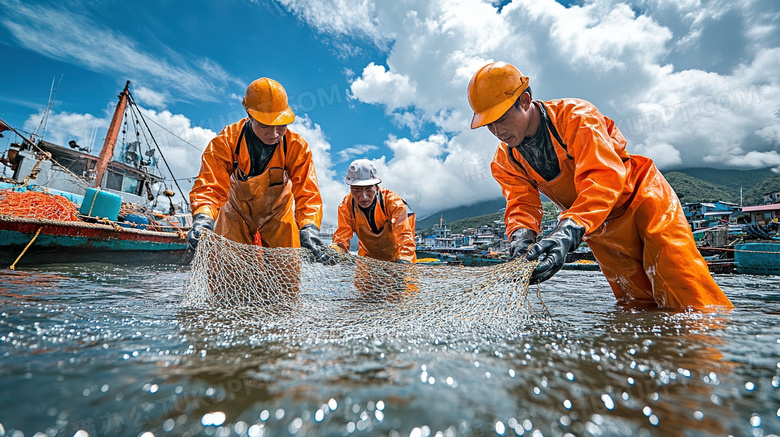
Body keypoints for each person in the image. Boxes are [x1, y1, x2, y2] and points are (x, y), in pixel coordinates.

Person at [467, 61, 733, 310]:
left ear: (524, 100)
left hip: (644, 204)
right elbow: (521, 205)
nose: (496, 131)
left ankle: (712, 357)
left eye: (500, 119)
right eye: (489, 124)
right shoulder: (505, 160)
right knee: (637, 306)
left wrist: (567, 231)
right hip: (600, 229)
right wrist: (521, 241)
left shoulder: (576, 117)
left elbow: (602, 178)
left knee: (687, 294)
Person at [187, 77, 328, 262]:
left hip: (279, 216)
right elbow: (209, 186)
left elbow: (307, 194)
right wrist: (203, 219)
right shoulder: (227, 141)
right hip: (235, 214)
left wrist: (309, 228)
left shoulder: (296, 146)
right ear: (249, 113)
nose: (275, 134)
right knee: (228, 271)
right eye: (265, 126)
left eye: (282, 125)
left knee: (286, 274)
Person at [331, 159, 417, 263]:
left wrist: (404, 261)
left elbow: (405, 238)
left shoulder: (394, 203)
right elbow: (341, 241)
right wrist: (334, 252)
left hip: (400, 259)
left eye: (368, 189)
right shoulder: (346, 206)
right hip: (368, 262)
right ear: (350, 188)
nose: (363, 197)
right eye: (356, 190)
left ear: (376, 187)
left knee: (406, 278)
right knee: (362, 279)